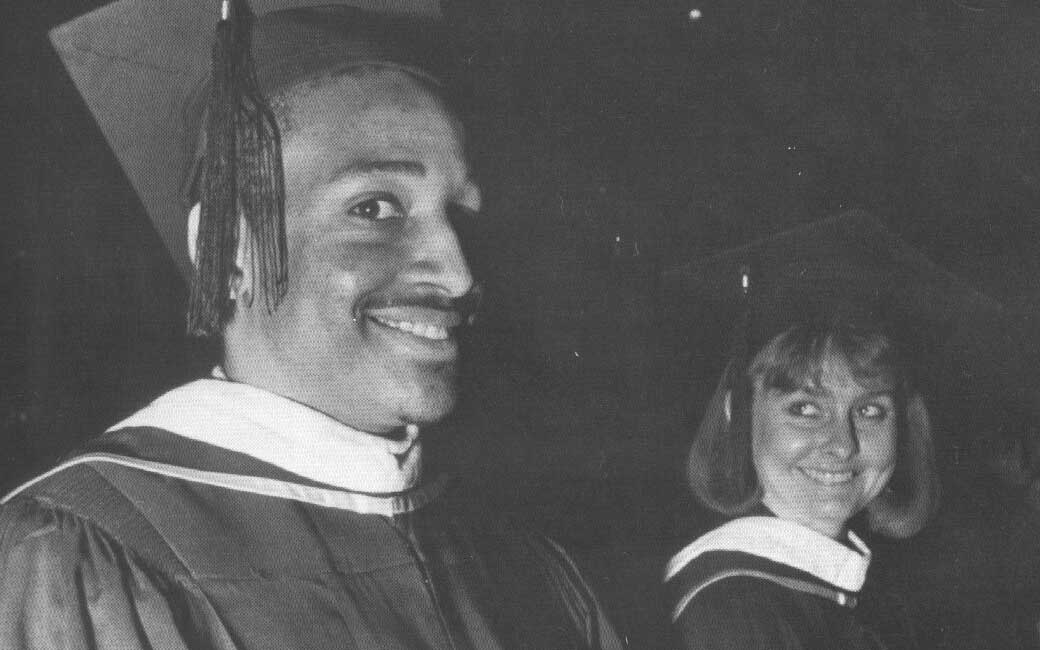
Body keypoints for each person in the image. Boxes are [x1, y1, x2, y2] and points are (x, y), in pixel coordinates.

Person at [0, 1, 623, 648]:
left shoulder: (532, 571)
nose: (459, 275)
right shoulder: (90, 554)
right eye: (375, 208)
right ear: (231, 247)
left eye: (459, 215)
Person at [664, 308, 941, 650]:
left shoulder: (870, 595)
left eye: (869, 410)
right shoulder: (728, 612)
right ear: (738, 413)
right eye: (806, 409)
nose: (842, 445)